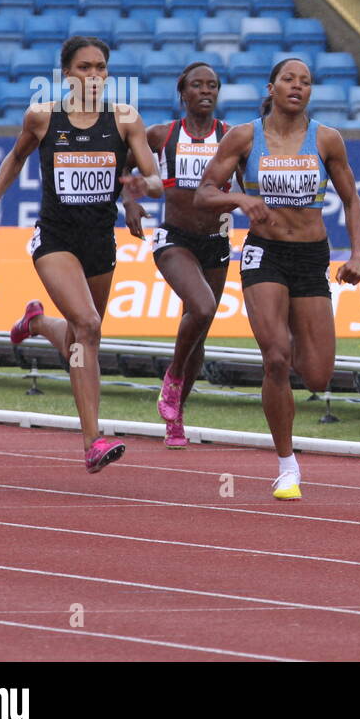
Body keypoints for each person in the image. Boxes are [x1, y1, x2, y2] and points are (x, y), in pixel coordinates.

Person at [0, 37, 163, 473]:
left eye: (100, 68)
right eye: (84, 68)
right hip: (55, 240)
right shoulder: (42, 117)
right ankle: (92, 440)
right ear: (65, 74)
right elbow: (14, 160)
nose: (93, 76)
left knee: (82, 339)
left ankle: (37, 322)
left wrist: (136, 191)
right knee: (89, 325)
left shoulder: (126, 119)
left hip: (100, 242)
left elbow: (153, 178)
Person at [195, 57, 360, 500]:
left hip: (311, 257)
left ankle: (291, 349)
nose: (297, 86)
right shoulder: (245, 137)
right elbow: (204, 193)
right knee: (275, 357)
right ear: (271, 87)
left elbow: (352, 201)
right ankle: (287, 466)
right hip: (263, 253)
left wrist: (358, 256)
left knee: (318, 376)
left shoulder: (326, 139)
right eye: (289, 79)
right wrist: (238, 199)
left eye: (306, 82)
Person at [123, 62, 243, 449]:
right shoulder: (161, 135)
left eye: (212, 86)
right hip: (174, 239)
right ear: (183, 92)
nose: (205, 91)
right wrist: (130, 203)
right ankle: (173, 378)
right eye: (197, 85)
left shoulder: (233, 138)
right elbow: (124, 168)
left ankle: (176, 417)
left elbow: (254, 179)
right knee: (204, 308)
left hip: (217, 243)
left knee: (198, 333)